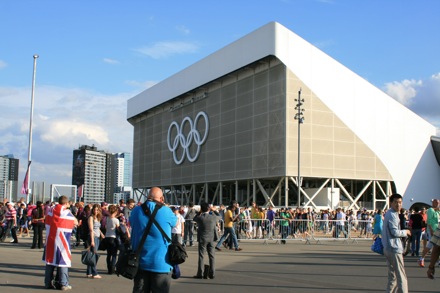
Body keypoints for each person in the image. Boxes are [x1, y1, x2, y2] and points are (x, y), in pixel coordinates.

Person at [130, 187, 177, 293]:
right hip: (161, 264)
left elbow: (132, 223)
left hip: (139, 262)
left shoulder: (136, 210)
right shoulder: (166, 211)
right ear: (162, 198)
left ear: (148, 197)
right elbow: (175, 223)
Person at [44, 196, 78, 290]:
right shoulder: (67, 213)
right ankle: (64, 283)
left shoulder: (51, 211)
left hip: (51, 240)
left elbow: (46, 222)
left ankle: (47, 283)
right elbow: (75, 222)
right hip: (62, 241)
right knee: (63, 262)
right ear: (66, 203)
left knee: (50, 262)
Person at [381, 193, 411, 293]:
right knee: (401, 276)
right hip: (394, 248)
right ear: (391, 203)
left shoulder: (389, 213)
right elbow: (394, 232)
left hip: (388, 247)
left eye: (400, 202)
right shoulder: (393, 215)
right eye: (396, 202)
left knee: (392, 276)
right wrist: (405, 232)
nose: (398, 205)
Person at [193, 201, 220, 279]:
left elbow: (194, 218)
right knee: (212, 256)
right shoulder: (213, 217)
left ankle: (200, 273)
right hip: (211, 238)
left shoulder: (200, 217)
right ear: (209, 208)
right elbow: (220, 216)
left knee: (201, 256)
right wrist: (213, 210)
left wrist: (199, 212)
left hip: (202, 238)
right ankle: (212, 273)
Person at [418, 199, 439, 267]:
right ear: (433, 203)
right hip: (432, 230)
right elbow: (429, 221)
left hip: (437, 230)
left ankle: (438, 260)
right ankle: (421, 258)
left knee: (437, 246)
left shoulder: (437, 211)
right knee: (431, 245)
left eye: (438, 203)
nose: (437, 204)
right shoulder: (430, 210)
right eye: (436, 202)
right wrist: (431, 230)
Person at [86, 204, 104, 279]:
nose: (96, 211)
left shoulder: (98, 218)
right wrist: (92, 241)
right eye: (94, 210)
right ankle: (94, 272)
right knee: (94, 255)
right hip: (92, 237)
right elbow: (91, 229)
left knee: (92, 255)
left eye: (97, 210)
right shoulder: (91, 218)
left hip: (97, 236)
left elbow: (97, 227)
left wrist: (101, 234)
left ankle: (89, 272)